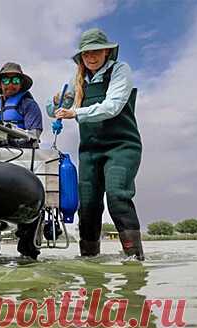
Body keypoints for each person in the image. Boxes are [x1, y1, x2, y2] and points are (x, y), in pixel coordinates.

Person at [46, 28, 144, 260]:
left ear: (107, 51)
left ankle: (134, 260)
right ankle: (89, 261)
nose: (91, 57)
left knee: (117, 195)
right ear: (81, 56)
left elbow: (113, 106)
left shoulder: (120, 70)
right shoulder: (77, 79)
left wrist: (74, 113)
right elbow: (56, 111)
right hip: (90, 151)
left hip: (122, 146)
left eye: (96, 52)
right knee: (88, 204)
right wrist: (54, 105)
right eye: (86, 53)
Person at [0, 62, 43, 259]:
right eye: (6, 79)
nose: (11, 84)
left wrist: (12, 137)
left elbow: (35, 134)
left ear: (21, 84)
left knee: (29, 216)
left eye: (16, 80)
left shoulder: (29, 105)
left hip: (22, 162)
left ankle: (28, 255)